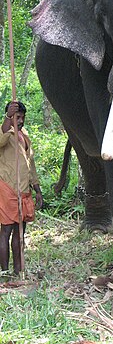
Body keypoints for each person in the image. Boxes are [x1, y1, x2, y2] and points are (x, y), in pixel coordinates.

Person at [0, 101, 43, 275]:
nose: (20, 121)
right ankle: (4, 272)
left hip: (25, 191)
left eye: (22, 118)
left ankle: (19, 271)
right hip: (8, 188)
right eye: (17, 117)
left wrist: (38, 189)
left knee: (20, 232)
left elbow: (30, 165)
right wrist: (7, 119)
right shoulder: (5, 132)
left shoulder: (24, 135)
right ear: (10, 116)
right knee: (6, 231)